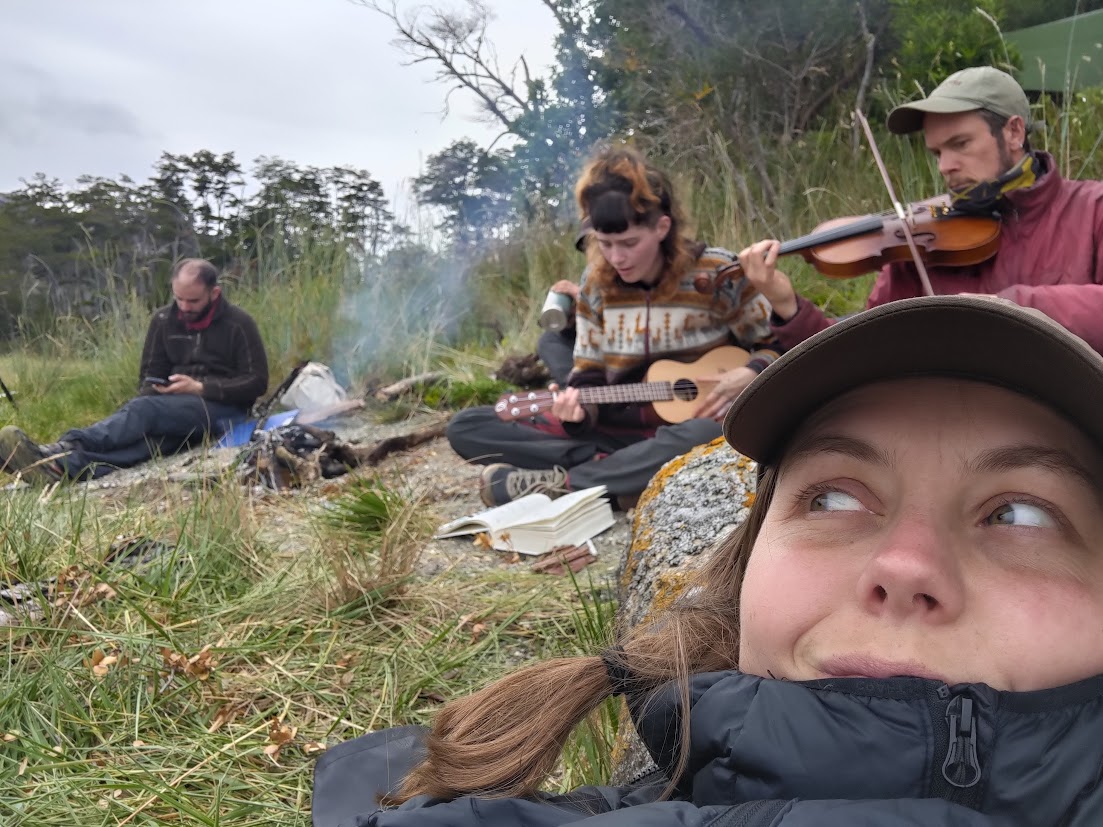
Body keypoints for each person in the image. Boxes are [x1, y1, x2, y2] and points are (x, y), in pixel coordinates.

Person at [313, 294, 1103, 826]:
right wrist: (577, 387)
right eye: (830, 498)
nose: (903, 565)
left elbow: (755, 351)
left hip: (678, 431)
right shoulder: (592, 301)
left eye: (1021, 512)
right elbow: (586, 378)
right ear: (749, 559)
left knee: (679, 436)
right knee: (479, 426)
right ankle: (571, 466)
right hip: (614, 425)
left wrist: (760, 346)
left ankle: (580, 476)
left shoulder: (703, 286)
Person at [448, 147, 780, 507]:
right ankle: (622, 479)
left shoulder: (716, 271)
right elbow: (588, 373)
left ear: (661, 227)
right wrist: (577, 413)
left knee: (713, 432)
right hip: (616, 433)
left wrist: (751, 370)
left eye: (629, 243)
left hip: (692, 427)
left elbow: (775, 343)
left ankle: (572, 484)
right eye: (605, 244)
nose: (617, 258)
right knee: (468, 427)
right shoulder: (596, 285)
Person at [742, 65, 1103, 354]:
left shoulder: (1091, 208)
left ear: (1013, 132)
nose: (945, 166)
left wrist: (1009, 307)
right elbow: (865, 353)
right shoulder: (918, 241)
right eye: (936, 153)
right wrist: (788, 305)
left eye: (960, 144)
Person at [0, 258, 269, 483]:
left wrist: (200, 388)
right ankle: (63, 467)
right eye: (179, 299)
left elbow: (257, 382)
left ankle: (66, 445)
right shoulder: (164, 320)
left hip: (225, 409)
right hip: (175, 406)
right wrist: (156, 388)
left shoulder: (239, 324)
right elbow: (150, 372)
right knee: (151, 444)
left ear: (214, 293)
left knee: (144, 411)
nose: (185, 307)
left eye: (194, 301)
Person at [534, 219, 591, 387]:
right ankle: (578, 390)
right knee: (549, 340)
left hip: (622, 342)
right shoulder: (592, 271)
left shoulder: (628, 262)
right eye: (587, 248)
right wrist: (573, 318)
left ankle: (582, 392)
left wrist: (581, 297)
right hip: (592, 335)